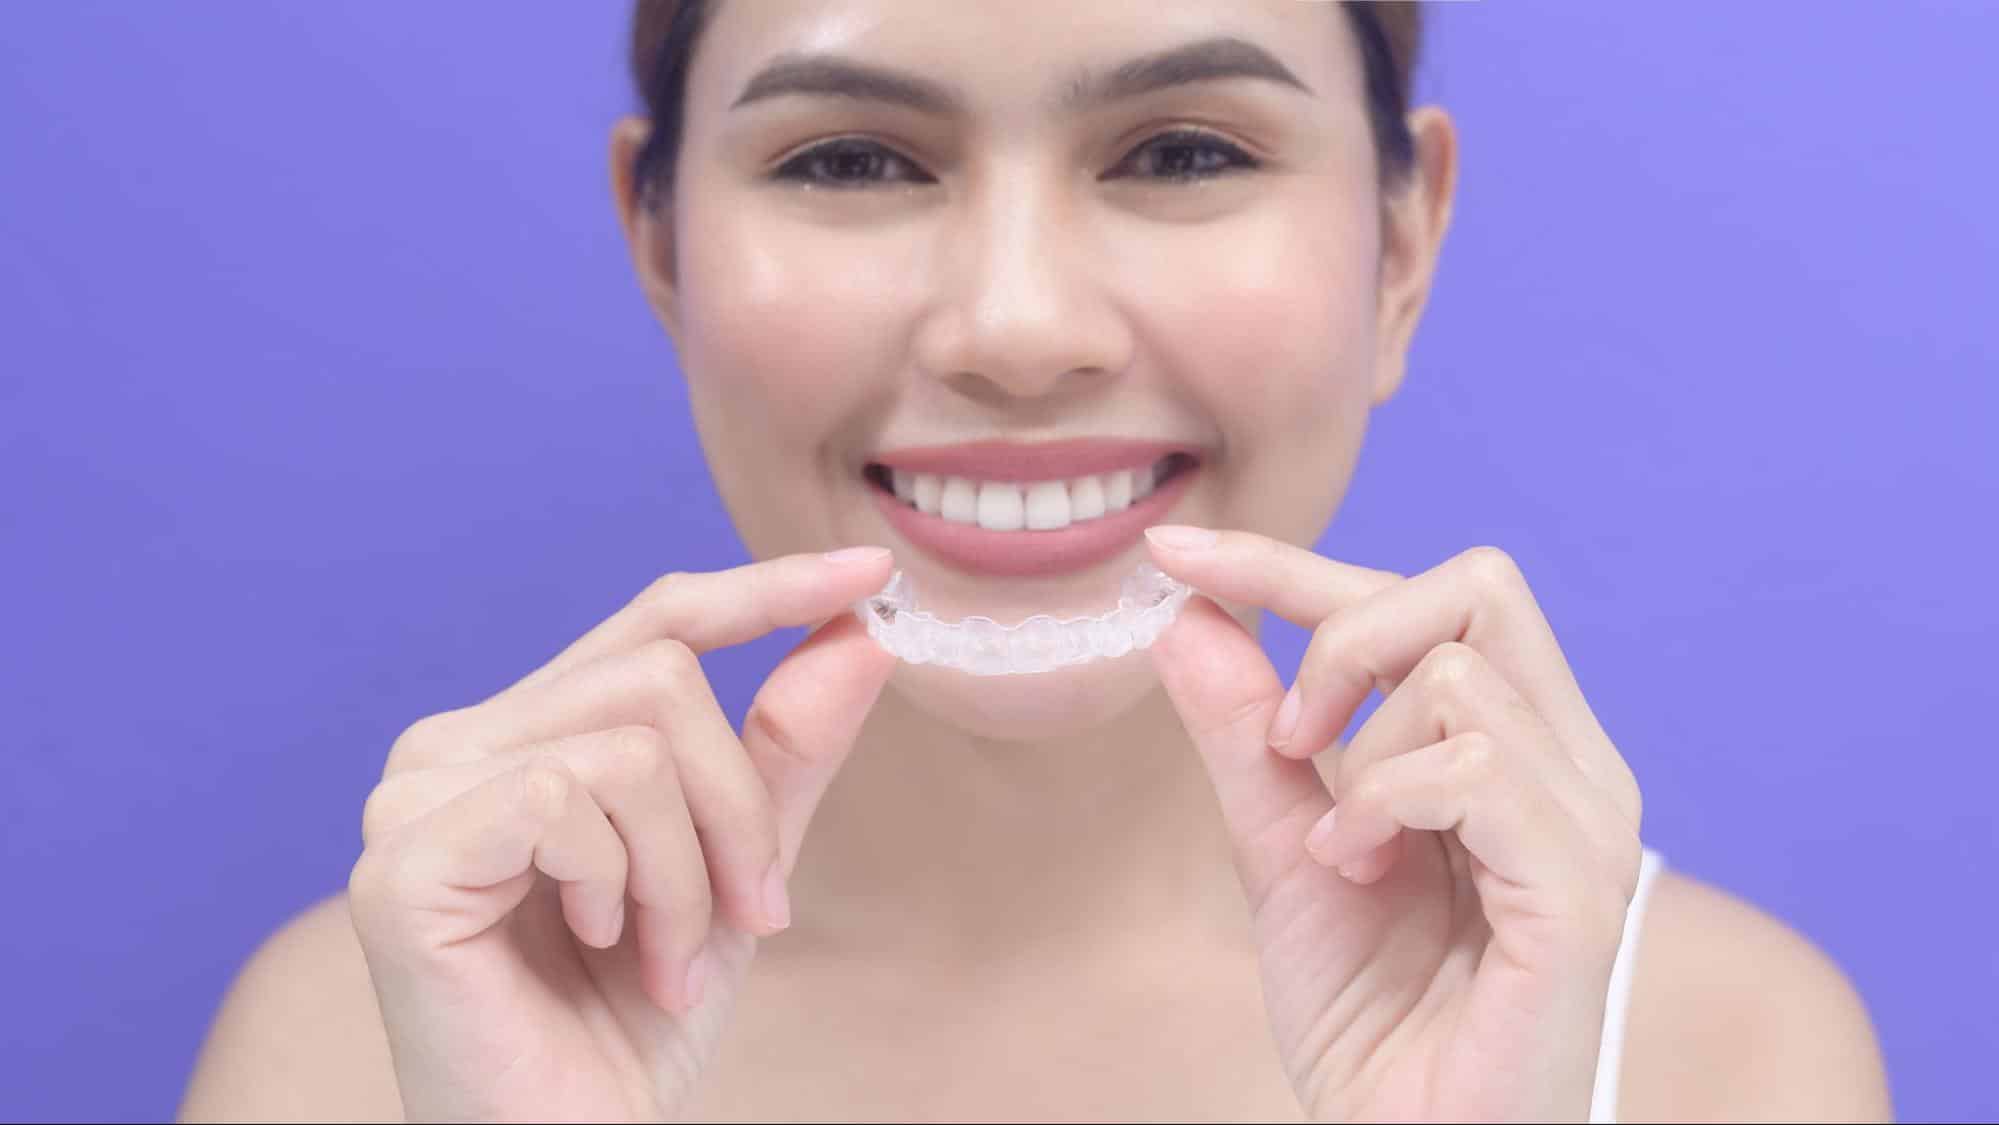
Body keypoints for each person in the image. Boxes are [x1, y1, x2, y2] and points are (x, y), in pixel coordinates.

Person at [178, 2, 1894, 1120]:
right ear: (661, 241)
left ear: (1401, 243)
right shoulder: (356, 1046)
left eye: (1183, 151)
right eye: (849, 158)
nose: (1018, 328)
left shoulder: (1711, 1055)